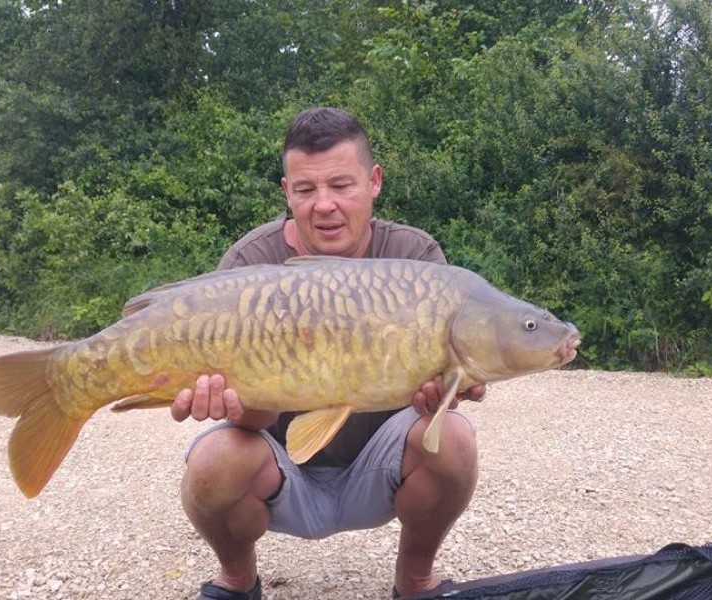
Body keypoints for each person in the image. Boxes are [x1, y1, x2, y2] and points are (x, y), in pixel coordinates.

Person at [171, 107, 485, 600]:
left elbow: (434, 401)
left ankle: (416, 578)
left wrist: (444, 394)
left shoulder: (416, 260)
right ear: (285, 191)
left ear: (374, 181)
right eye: (306, 190)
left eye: (341, 185)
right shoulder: (250, 263)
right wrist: (231, 397)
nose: (324, 205)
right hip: (279, 470)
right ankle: (237, 578)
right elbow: (251, 420)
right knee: (213, 458)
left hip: (380, 468)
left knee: (455, 440)